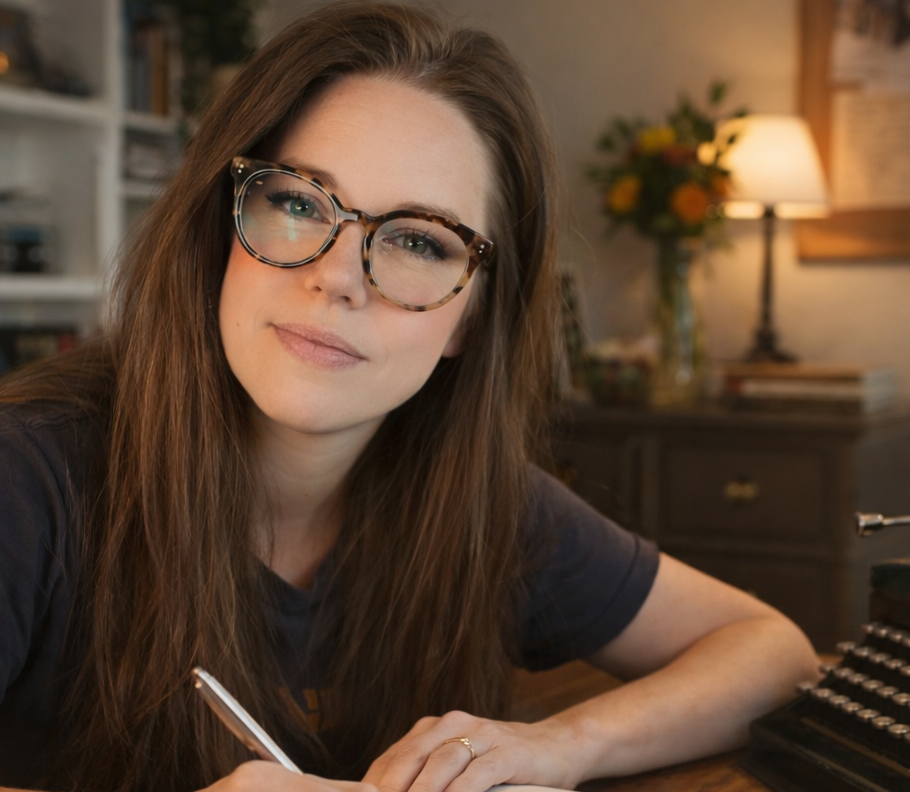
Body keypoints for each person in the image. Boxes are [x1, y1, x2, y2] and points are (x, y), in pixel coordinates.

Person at [0, 2, 818, 792]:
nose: (336, 277)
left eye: (419, 241)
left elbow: (773, 653)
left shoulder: (479, 504)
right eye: (296, 202)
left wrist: (557, 746)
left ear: (472, 317)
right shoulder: (28, 475)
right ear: (222, 226)